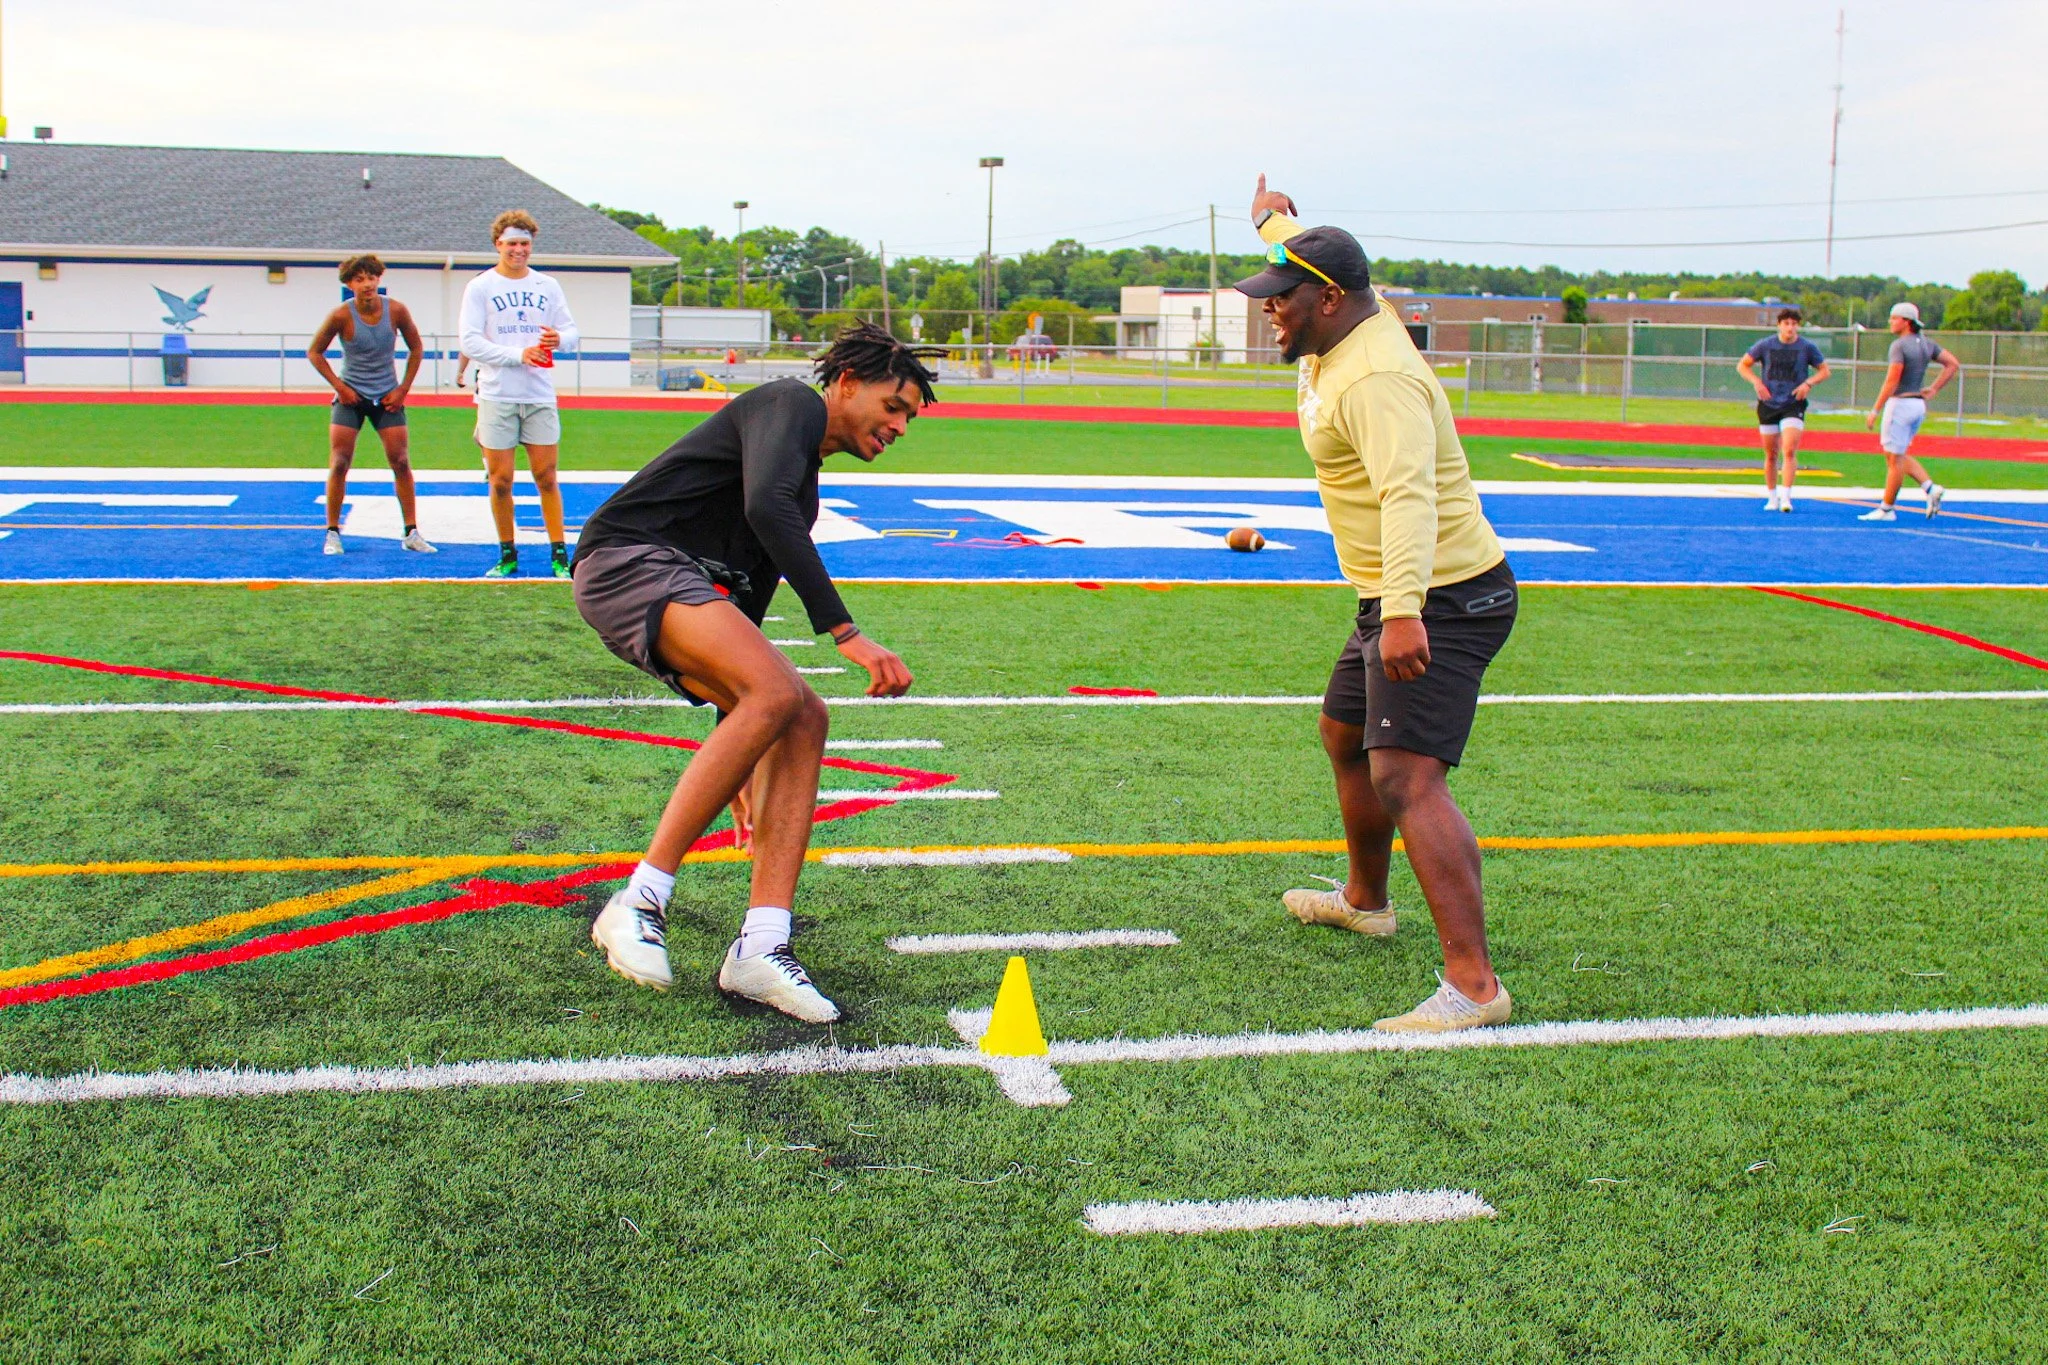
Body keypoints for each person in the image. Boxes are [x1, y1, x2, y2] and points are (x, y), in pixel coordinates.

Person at [571, 324, 930, 1022]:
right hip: (629, 559)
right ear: (848, 382)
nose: (900, 425)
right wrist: (845, 632)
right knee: (774, 691)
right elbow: (763, 506)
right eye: (895, 405)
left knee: (800, 713)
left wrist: (740, 748)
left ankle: (761, 946)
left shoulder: (804, 494)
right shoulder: (791, 404)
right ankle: (638, 900)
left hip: (682, 586)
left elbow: (744, 624)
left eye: (909, 416)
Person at [1240, 176, 1518, 1034]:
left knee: (1406, 775)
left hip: (1442, 596)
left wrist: (1402, 611)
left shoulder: (1378, 376)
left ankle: (1474, 986)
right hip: (1393, 594)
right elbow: (1314, 254)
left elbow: (1409, 497)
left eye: (1278, 300)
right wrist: (1271, 222)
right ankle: (1366, 899)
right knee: (1341, 731)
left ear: (1327, 301)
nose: (1267, 313)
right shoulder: (1349, 311)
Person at [460, 209, 579, 578]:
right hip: (498, 394)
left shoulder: (547, 285)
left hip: (539, 394)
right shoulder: (480, 286)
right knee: (501, 479)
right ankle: (507, 553)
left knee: (546, 476)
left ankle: (559, 554)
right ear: (498, 244)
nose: (518, 250)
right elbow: (470, 340)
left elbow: (572, 331)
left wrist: (559, 339)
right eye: (511, 243)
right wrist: (517, 355)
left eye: (524, 243)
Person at [306, 255, 435, 555]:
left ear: (379, 279)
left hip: (387, 396)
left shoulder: (396, 310)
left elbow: (416, 347)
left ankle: (411, 532)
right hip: (351, 397)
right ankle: (333, 533)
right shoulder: (341, 315)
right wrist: (340, 387)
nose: (367, 285)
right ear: (349, 284)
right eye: (359, 279)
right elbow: (315, 352)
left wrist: (403, 389)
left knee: (400, 461)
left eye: (371, 278)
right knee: (339, 462)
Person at [1859, 301, 1956, 521]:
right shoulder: (1927, 344)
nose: (1890, 322)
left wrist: (1875, 409)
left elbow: (1892, 379)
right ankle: (1930, 488)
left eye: (1894, 318)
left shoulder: (1900, 346)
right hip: (1918, 405)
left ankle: (1887, 508)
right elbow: (1952, 364)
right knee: (1898, 456)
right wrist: (1934, 389)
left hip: (1900, 404)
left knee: (1894, 460)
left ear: (1906, 321)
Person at [1737, 307, 1830, 513]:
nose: (1790, 328)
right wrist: (1757, 383)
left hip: (1793, 402)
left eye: (1794, 324)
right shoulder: (1765, 345)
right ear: (1779, 325)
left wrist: (1808, 384)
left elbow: (1824, 370)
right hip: (1769, 402)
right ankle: (1772, 497)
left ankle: (1786, 496)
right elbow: (1743, 365)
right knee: (1771, 454)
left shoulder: (1807, 347)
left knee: (1789, 449)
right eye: (1786, 323)